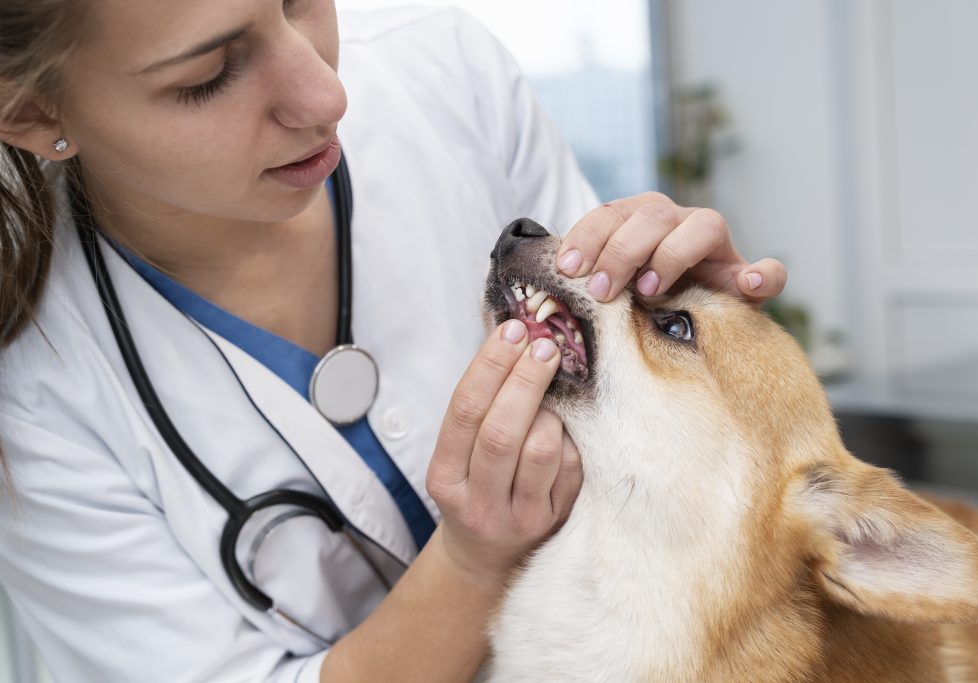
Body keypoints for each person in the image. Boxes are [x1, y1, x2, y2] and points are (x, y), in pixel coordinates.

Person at [0, 1, 786, 681]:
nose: (326, 93)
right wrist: (471, 560)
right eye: (209, 74)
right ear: (35, 113)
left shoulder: (445, 74)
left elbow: (645, 466)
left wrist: (682, 318)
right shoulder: (36, 395)